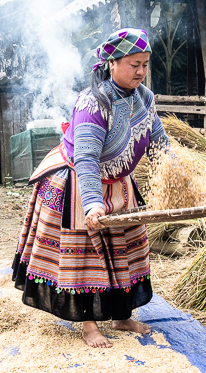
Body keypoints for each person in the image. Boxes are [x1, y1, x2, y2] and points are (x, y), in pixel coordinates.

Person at [12, 28, 169, 348]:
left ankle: (122, 315)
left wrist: (179, 174)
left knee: (129, 248)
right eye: (134, 64)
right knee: (85, 257)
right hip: (77, 183)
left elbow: (160, 144)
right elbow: (85, 158)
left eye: (145, 64)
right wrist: (93, 204)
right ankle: (89, 327)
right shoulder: (93, 102)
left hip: (118, 181)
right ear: (112, 63)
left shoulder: (145, 98)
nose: (141, 71)